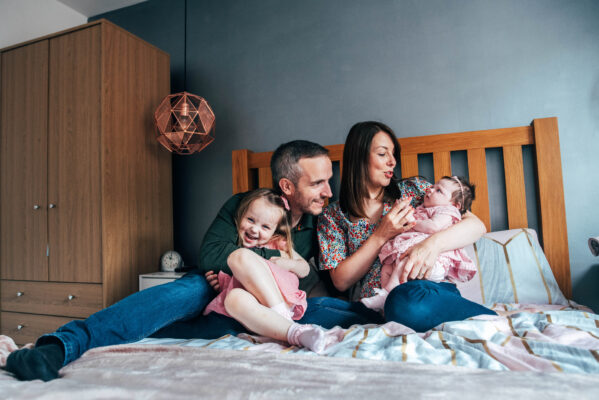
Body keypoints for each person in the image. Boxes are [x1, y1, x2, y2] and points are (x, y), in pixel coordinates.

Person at [5, 139, 380, 382]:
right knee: (174, 298)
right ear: (287, 186)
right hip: (212, 291)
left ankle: (379, 312)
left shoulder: (318, 221)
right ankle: (60, 346)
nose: (328, 192)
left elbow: (310, 272)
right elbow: (212, 254)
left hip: (264, 308)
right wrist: (262, 262)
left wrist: (283, 268)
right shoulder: (245, 205)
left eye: (329, 181)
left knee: (334, 311)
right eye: (318, 184)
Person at [317, 121, 497, 332]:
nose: (393, 162)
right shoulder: (333, 216)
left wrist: (432, 245)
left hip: (422, 291)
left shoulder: (416, 190)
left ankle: (485, 316)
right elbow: (341, 281)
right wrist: (381, 235)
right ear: (359, 158)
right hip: (372, 304)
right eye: (383, 154)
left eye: (393, 154)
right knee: (310, 309)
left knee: (403, 301)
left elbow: (476, 225)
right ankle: (389, 318)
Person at [203, 188, 343, 352]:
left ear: (275, 231)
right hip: (256, 310)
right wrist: (220, 283)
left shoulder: (277, 244)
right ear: (240, 215)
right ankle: (292, 333)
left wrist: (286, 263)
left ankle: (284, 318)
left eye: (265, 226)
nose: (255, 229)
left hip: (281, 299)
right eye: (250, 220)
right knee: (232, 299)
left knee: (239, 256)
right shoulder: (232, 246)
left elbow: (304, 268)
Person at [361, 176, 478, 311]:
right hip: (412, 257)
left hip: (433, 261)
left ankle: (387, 293)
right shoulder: (422, 208)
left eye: (439, 190)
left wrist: (412, 221)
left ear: (455, 205)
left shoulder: (447, 211)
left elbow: (432, 227)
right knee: (387, 267)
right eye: (433, 186)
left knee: (406, 262)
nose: (430, 189)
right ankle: (386, 299)